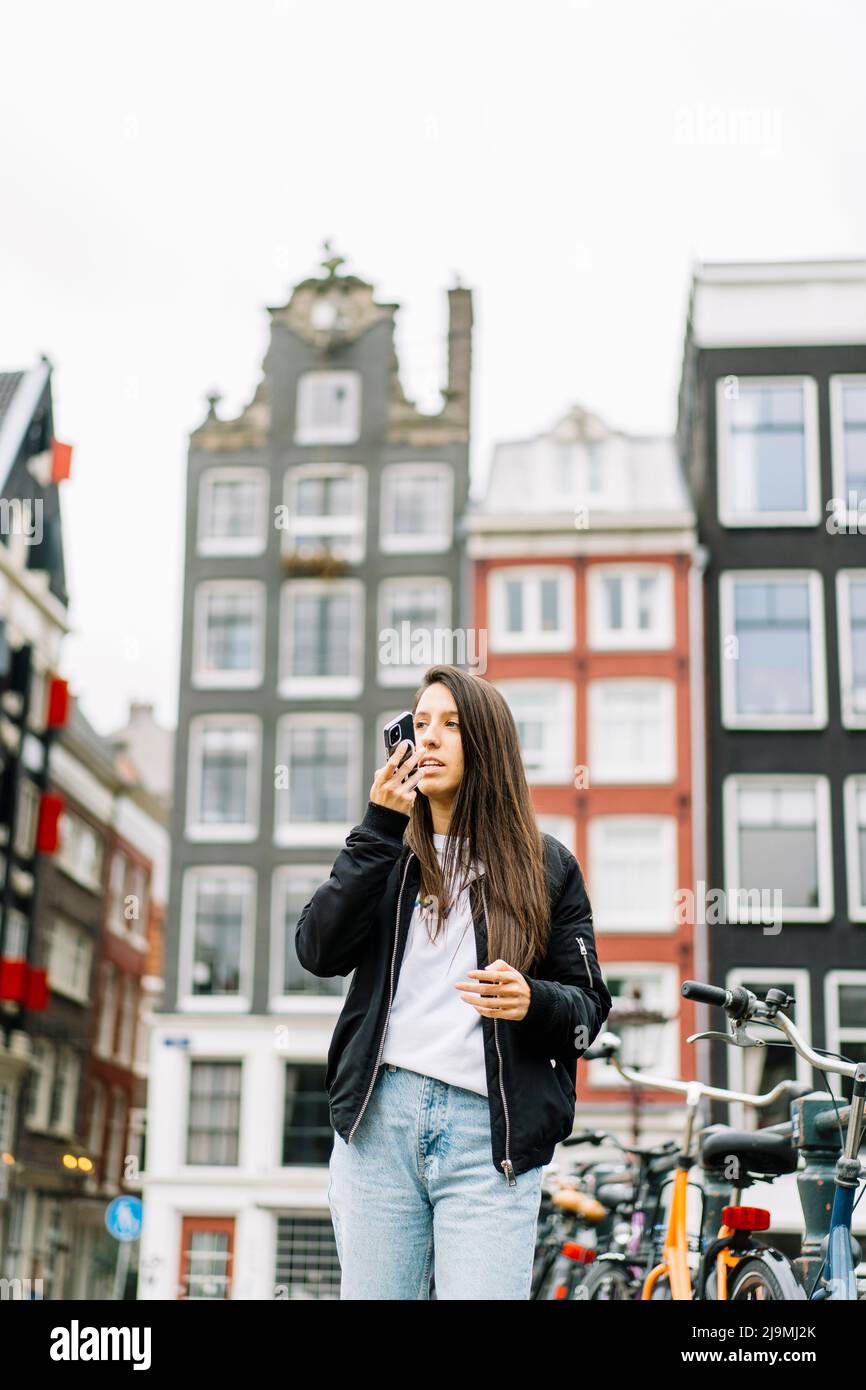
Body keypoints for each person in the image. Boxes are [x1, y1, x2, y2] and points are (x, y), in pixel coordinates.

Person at [296, 664, 612, 1300]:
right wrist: (377, 828)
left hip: (488, 1139)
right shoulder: (386, 849)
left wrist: (534, 1000)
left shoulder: (547, 865)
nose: (430, 738)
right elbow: (317, 950)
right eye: (420, 724)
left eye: (452, 725)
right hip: (377, 1125)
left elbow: (588, 1006)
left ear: (487, 745)